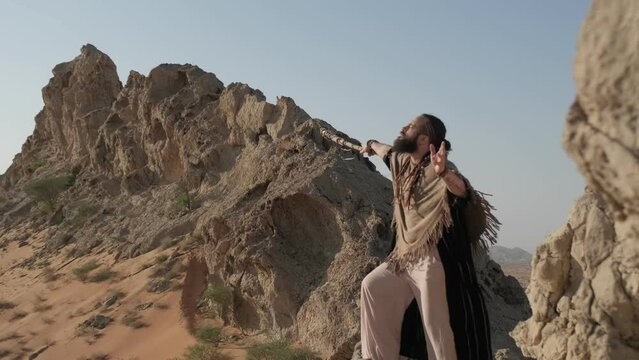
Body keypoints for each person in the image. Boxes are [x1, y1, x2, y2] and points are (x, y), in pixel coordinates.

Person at [359, 114, 498, 360]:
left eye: (410, 127)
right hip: (403, 257)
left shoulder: (442, 169)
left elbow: (462, 191)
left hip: (430, 260)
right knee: (372, 287)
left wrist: (444, 173)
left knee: (437, 329)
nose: (403, 128)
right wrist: (371, 144)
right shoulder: (401, 161)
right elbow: (385, 151)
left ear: (423, 139)